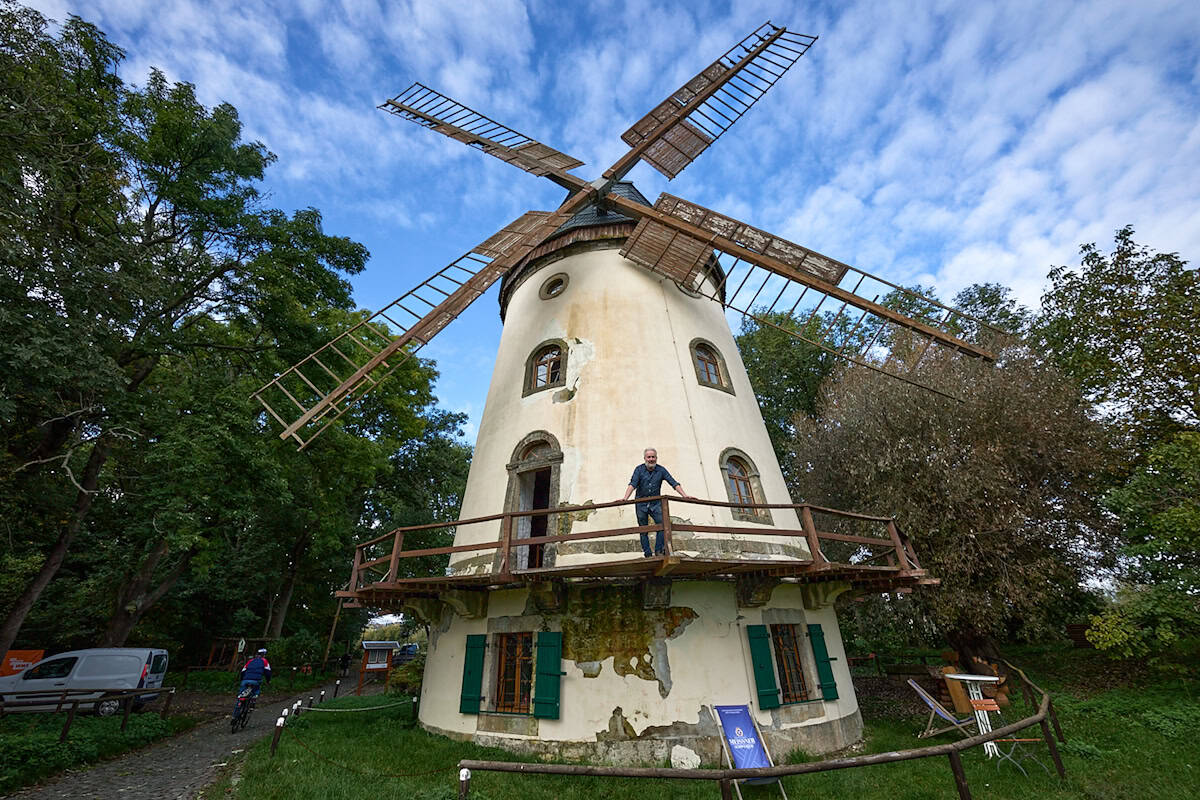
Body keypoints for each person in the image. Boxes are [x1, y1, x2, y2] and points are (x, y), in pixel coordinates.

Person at [620, 448, 692, 557]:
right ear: (645, 458)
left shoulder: (661, 470)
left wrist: (684, 495)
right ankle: (647, 553)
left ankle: (658, 551)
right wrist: (625, 498)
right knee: (643, 529)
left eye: (653, 457)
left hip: (656, 503)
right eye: (649, 457)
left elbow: (673, 483)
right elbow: (633, 484)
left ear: (656, 458)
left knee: (663, 524)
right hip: (641, 504)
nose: (651, 459)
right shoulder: (639, 470)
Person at [234, 648, 272, 714]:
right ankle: (253, 701)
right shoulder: (265, 661)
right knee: (256, 689)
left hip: (245, 680)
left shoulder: (250, 661)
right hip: (256, 680)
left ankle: (235, 716)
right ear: (264, 655)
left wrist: (242, 679)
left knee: (240, 696)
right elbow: (268, 673)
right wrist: (268, 681)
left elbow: (243, 671)